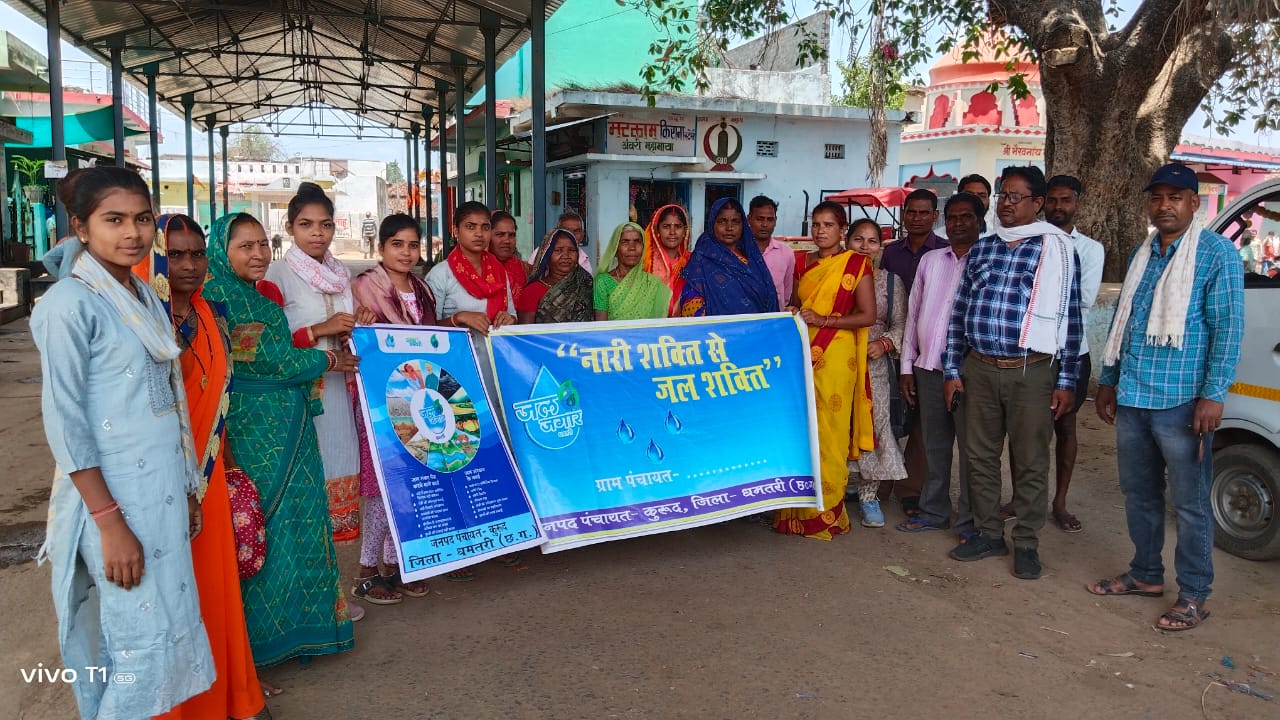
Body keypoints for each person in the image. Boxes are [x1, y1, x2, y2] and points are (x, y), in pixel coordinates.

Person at [32, 167, 215, 720]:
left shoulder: (142, 296)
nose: (132, 233)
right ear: (81, 228)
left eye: (142, 219)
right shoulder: (68, 304)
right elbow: (66, 423)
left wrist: (188, 488)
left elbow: (171, 402)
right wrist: (109, 523)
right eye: (114, 220)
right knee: (134, 643)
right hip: (113, 499)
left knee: (162, 632)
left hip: (160, 491)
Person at [1088, 162, 1244, 632]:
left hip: (1183, 401)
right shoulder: (1144, 253)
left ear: (1194, 203)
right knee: (1139, 494)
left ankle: (1194, 594)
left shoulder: (1215, 254)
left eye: (1175, 197)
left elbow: (1227, 329)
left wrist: (1213, 395)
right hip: (1135, 396)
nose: (1164, 206)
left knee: (1191, 503)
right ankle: (1145, 574)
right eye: (1156, 197)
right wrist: (1109, 380)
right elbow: (1127, 323)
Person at [204, 211, 360, 667]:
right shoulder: (221, 298)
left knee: (293, 525)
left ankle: (299, 628)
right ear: (222, 252)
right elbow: (272, 362)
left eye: (260, 244)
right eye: (244, 246)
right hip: (256, 432)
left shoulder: (250, 295)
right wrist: (327, 362)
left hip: (286, 425)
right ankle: (261, 644)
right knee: (262, 529)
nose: (257, 254)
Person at [134, 214, 269, 720]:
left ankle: (230, 694)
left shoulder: (213, 314)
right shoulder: (141, 322)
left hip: (207, 481)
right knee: (170, 596)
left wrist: (226, 466)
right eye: (176, 255)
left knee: (215, 589)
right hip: (159, 483)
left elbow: (217, 401)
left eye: (197, 254)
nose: (188, 265)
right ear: (156, 257)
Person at [942, 165, 1083, 580]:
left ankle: (1026, 542)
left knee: (1030, 459)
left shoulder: (1056, 250)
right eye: (1003, 195)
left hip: (1032, 371)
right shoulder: (983, 249)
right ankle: (989, 533)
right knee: (979, 456)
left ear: (1037, 203)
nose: (1005, 203)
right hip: (979, 368)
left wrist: (1067, 381)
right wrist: (952, 369)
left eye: (1015, 196)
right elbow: (960, 312)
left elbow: (1071, 319)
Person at [264, 182, 373, 544]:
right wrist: (322, 329)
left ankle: (331, 554)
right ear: (289, 227)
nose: (317, 233)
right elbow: (268, 344)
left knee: (338, 458)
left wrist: (358, 324)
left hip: (339, 392)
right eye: (306, 224)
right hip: (298, 391)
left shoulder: (341, 275)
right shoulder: (276, 275)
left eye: (325, 225)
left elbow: (347, 327)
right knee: (303, 471)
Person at [424, 201, 519, 579]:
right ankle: (458, 546)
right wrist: (458, 318)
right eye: (470, 227)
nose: (479, 234)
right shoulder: (441, 275)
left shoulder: (499, 270)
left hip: (492, 374)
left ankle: (496, 536)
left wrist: (508, 317)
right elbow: (423, 327)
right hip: (454, 380)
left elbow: (510, 313)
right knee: (458, 453)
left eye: (484, 227)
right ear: (455, 230)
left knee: (494, 453)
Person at [773, 201, 876, 538]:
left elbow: (868, 315)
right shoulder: (803, 262)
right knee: (801, 430)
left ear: (842, 230)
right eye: (816, 224)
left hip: (837, 356)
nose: (820, 231)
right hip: (803, 352)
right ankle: (795, 512)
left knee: (830, 433)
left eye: (828, 225)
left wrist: (825, 320)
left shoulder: (856, 264)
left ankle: (826, 513)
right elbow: (800, 305)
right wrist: (794, 310)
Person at [350, 213, 438, 606]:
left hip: (418, 396)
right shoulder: (364, 286)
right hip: (378, 397)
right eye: (397, 244)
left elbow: (432, 339)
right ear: (381, 247)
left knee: (409, 479)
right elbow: (352, 338)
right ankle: (366, 570)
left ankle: (395, 562)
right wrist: (359, 325)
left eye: (413, 245)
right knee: (382, 484)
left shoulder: (423, 289)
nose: (406, 252)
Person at [897, 193, 983, 540]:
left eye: (966, 217)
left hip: (970, 371)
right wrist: (907, 366)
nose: (958, 223)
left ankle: (971, 520)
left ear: (980, 221)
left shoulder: (987, 260)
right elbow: (913, 314)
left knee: (972, 448)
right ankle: (934, 511)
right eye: (953, 217)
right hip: (928, 367)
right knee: (934, 444)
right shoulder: (931, 260)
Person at [1037, 175, 1105, 533]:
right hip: (1034, 351)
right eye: (1052, 200)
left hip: (1072, 352)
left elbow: (1083, 298)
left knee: (1066, 426)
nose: (1058, 207)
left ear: (1076, 203)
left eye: (1065, 200)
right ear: (1042, 203)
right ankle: (1021, 498)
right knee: (1027, 429)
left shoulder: (1090, 249)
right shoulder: (1030, 241)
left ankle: (1060, 501)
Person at [844, 218, 908, 528]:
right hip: (838, 363)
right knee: (841, 426)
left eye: (872, 241)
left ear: (880, 247)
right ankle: (839, 489)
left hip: (874, 366)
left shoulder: (890, 282)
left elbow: (901, 323)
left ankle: (869, 496)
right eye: (858, 239)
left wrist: (883, 344)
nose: (865, 247)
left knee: (874, 426)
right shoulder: (834, 277)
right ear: (847, 242)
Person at [678, 197, 780, 316]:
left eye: (736, 221)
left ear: (743, 225)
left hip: (760, 327)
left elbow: (769, 296)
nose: (729, 227)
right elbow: (691, 303)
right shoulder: (700, 261)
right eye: (722, 221)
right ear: (712, 223)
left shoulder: (753, 259)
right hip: (718, 328)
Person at [594, 221, 672, 320]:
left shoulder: (652, 283)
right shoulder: (602, 282)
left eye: (637, 241)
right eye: (625, 242)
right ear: (615, 249)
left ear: (643, 248)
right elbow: (601, 324)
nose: (632, 248)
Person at [518, 228, 594, 323]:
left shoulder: (586, 284)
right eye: (558, 250)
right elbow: (526, 330)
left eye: (571, 250)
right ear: (547, 255)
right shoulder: (532, 291)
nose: (566, 256)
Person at [883, 188, 948, 291]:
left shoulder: (947, 252)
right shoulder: (890, 252)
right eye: (911, 212)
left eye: (923, 213)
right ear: (903, 214)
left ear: (935, 215)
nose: (916, 218)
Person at [747, 194, 795, 310]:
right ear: (749, 219)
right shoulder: (737, 252)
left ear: (775, 221)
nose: (765, 224)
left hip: (775, 317)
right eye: (759, 219)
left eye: (770, 219)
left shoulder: (786, 253)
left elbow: (787, 293)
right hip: (745, 317)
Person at [643, 204, 692, 316]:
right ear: (657, 230)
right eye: (666, 226)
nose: (672, 232)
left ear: (685, 231)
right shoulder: (646, 263)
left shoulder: (692, 261)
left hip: (685, 323)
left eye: (678, 226)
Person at [490, 210, 530, 305]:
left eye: (511, 235)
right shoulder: (476, 268)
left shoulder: (526, 270)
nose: (507, 240)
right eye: (500, 234)